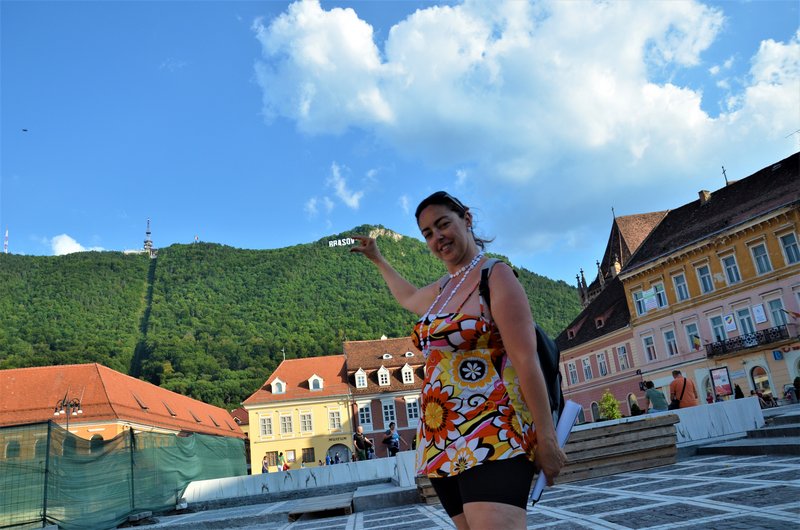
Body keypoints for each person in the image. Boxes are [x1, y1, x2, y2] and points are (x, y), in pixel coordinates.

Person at [351, 191, 566, 530]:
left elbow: (526, 360)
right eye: (428, 233)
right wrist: (378, 259)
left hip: (492, 431)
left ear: (466, 219)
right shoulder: (443, 289)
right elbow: (408, 297)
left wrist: (547, 438)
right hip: (442, 439)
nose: (437, 237)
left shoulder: (495, 276)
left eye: (443, 225)